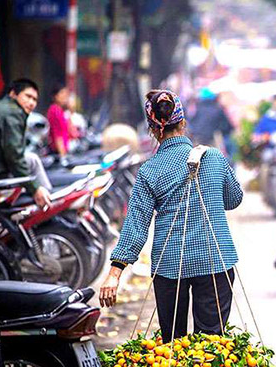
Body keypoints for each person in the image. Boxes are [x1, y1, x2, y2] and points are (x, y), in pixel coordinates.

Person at [99, 90, 243, 343]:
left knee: (173, 345)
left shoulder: (149, 170)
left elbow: (136, 226)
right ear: (183, 122)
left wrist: (114, 273)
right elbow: (234, 199)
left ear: (153, 130)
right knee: (212, 345)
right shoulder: (214, 158)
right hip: (216, 260)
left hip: (170, 265)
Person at [0, 78, 51, 208]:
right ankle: (47, 202)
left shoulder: (6, 108)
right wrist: (35, 188)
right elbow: (14, 156)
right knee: (32, 159)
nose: (31, 103)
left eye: (34, 100)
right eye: (28, 96)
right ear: (13, 94)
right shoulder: (12, 113)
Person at [189, 88, 236, 162]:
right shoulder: (217, 109)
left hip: (196, 139)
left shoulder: (198, 109)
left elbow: (191, 122)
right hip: (211, 139)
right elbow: (226, 126)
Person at [47, 85, 71, 158]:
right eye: (62, 93)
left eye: (66, 94)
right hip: (58, 151)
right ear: (56, 96)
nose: (65, 97)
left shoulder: (60, 111)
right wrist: (63, 156)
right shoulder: (55, 111)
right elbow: (57, 135)